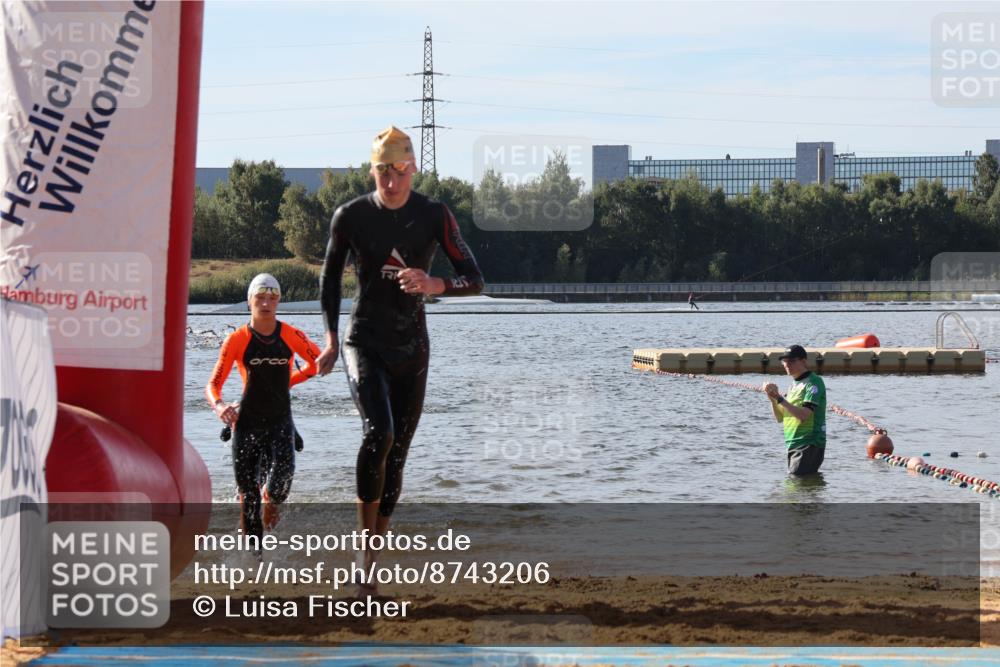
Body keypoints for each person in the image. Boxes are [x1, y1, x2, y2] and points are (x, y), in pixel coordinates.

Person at [317, 126, 484, 593]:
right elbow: (329, 281)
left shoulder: (433, 214)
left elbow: (475, 278)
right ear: (372, 171)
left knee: (398, 455)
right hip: (363, 341)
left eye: (400, 173)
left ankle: (372, 559)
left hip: (412, 348)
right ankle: (361, 551)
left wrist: (435, 284)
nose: (391, 183)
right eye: (382, 173)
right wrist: (330, 340)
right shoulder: (351, 216)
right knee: (380, 433)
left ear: (412, 170)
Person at [206, 273, 321, 545]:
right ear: (249, 301)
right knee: (249, 496)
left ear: (279, 301)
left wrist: (288, 382)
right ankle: (253, 558)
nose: (266, 303)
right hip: (247, 423)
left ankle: (269, 532)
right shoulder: (237, 339)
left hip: (281, 422)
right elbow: (213, 384)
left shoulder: (291, 334)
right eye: (260, 297)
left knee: (278, 492)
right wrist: (220, 406)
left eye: (272, 298)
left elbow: (317, 363)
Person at [763, 345, 827, 476]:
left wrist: (780, 398)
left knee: (796, 482)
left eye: (791, 361)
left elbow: (804, 415)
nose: (787, 364)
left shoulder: (813, 382)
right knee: (798, 484)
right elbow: (780, 418)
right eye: (784, 361)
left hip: (809, 442)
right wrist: (772, 399)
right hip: (793, 443)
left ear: (804, 361)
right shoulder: (793, 385)